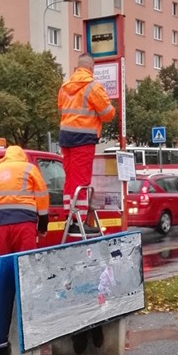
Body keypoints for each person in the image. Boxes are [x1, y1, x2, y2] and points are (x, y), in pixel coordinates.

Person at [0, 145, 49, 308]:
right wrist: (43, 225)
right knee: (26, 261)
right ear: (22, 156)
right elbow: (42, 196)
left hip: (1, 224)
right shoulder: (29, 168)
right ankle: (28, 300)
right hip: (24, 222)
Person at [58, 53, 115, 233]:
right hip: (83, 139)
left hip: (65, 138)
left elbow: (61, 107)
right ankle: (80, 221)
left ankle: (70, 217)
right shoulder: (93, 87)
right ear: (91, 69)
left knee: (70, 181)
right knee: (81, 180)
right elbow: (108, 114)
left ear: (77, 68)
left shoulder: (65, 87)